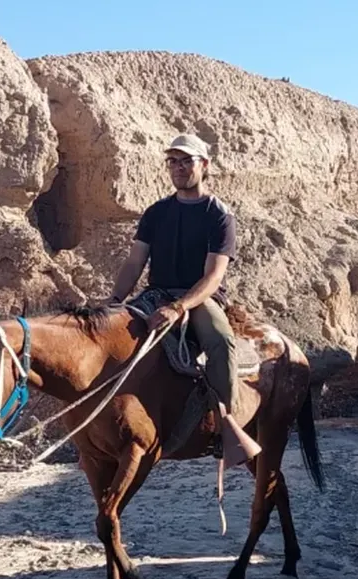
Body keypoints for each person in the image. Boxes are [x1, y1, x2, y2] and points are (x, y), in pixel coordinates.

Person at [104, 133, 259, 464]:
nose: (178, 168)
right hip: (155, 294)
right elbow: (135, 262)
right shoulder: (156, 212)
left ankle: (225, 426)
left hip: (199, 297)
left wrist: (179, 307)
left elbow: (214, 275)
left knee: (220, 342)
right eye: (172, 161)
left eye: (186, 161)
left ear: (204, 165)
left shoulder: (218, 215)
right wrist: (115, 300)